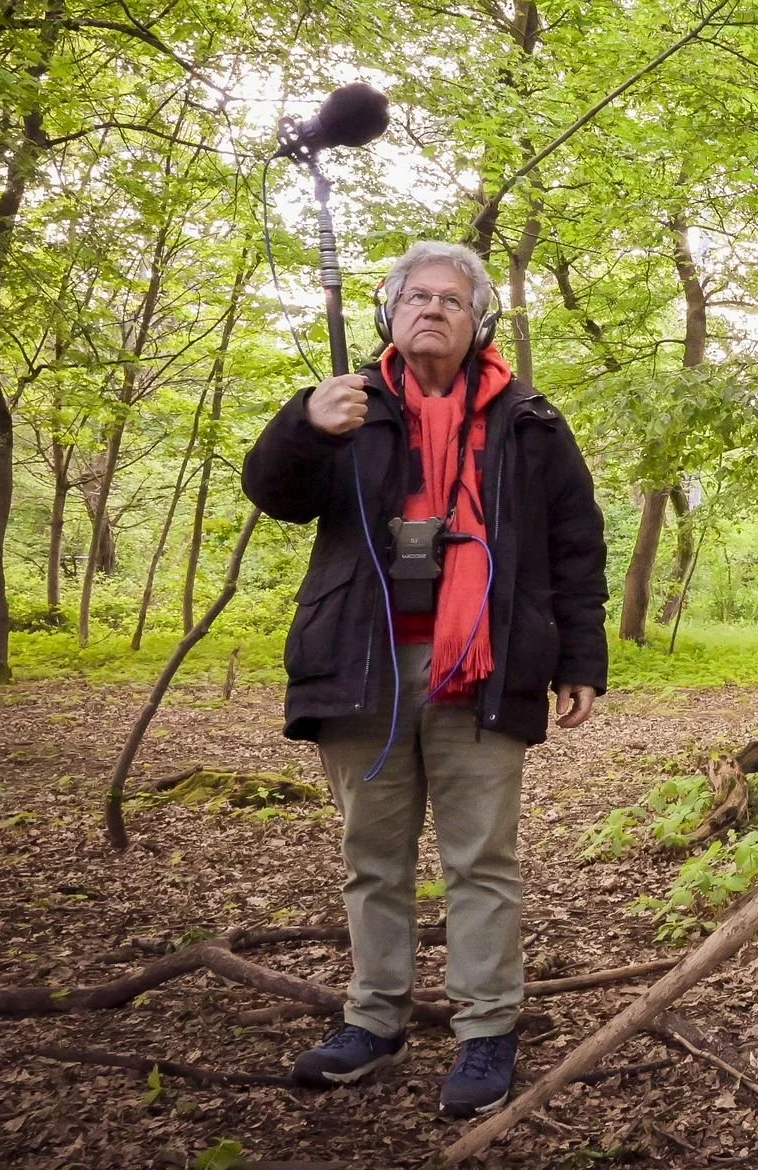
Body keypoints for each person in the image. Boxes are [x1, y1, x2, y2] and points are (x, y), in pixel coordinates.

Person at [243, 241, 607, 1118]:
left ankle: (486, 1030)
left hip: (484, 666)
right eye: (415, 297)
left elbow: (575, 542)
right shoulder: (346, 407)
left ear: (476, 317)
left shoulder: (532, 420)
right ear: (388, 314)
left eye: (450, 298)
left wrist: (581, 659)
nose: (431, 309)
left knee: (482, 858)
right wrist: (303, 422)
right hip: (362, 665)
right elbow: (275, 492)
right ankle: (374, 1020)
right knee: (372, 857)